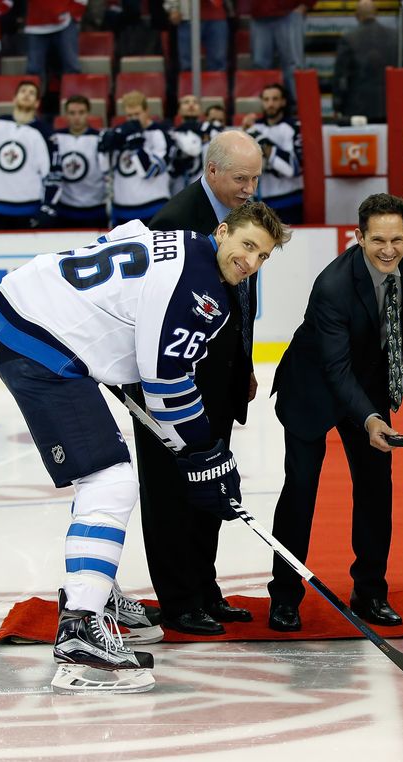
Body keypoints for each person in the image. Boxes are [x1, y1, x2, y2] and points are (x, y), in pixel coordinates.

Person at [0, 202, 288, 694]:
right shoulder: (203, 292)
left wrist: (197, 454)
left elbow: (125, 242)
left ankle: (96, 594)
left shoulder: (182, 244)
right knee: (111, 479)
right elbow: (166, 386)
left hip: (37, 320)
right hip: (41, 346)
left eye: (264, 256)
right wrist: (207, 455)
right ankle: (81, 625)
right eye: (247, 245)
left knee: (110, 476)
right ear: (223, 231)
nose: (251, 261)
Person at [130, 130, 265, 636]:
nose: (250, 187)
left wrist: (243, 364)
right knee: (169, 492)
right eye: (240, 178)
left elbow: (241, 303)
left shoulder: (241, 217)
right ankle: (179, 600)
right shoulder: (174, 222)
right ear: (212, 172)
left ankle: (204, 589)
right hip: (171, 387)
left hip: (218, 381)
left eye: (255, 177)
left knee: (209, 484)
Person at [267, 193, 403, 633]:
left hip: (366, 387)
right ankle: (285, 596)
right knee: (300, 493)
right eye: (377, 241)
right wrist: (369, 419)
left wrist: (388, 400)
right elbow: (335, 368)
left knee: (376, 490)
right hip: (312, 390)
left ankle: (370, 592)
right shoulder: (332, 285)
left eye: (396, 239)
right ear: (358, 237)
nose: (388, 250)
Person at [0, 80, 59, 230]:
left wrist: (48, 204)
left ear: (37, 103)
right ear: (14, 99)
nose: (27, 95)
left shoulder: (46, 134)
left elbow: (52, 175)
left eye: (31, 93)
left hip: (28, 211)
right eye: (23, 91)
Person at [101, 91, 173, 226]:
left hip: (153, 209)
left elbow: (150, 172)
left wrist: (137, 146)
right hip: (121, 211)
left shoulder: (161, 134)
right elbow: (105, 169)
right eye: (129, 115)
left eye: (137, 114)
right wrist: (103, 149)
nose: (133, 119)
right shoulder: (121, 133)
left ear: (147, 111)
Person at [242, 83, 304, 224]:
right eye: (266, 99)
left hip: (290, 202)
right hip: (259, 202)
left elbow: (292, 168)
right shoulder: (255, 126)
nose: (271, 104)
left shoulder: (294, 127)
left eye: (275, 99)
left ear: (283, 101)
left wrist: (261, 141)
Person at [332, 0, 398, 124]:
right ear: (376, 13)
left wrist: (337, 105)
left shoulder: (348, 39)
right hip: (388, 106)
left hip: (357, 109)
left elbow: (340, 76)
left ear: (356, 16)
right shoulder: (395, 36)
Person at [51, 95, 108, 229]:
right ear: (66, 115)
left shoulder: (101, 138)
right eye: (72, 113)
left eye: (81, 113)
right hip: (64, 209)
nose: (77, 117)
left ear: (88, 114)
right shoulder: (55, 138)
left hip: (95, 209)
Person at [251, 1, 316, 103]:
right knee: (260, 65)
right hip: (260, 13)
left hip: (289, 12)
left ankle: (297, 108)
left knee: (293, 65)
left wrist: (306, 4)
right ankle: (263, 106)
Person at [25, 0, 85, 80]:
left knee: (71, 66)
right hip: (35, 25)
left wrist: (75, 11)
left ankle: (73, 92)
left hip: (65, 23)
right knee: (34, 70)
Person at [165, 0, 231, 73]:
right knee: (187, 64)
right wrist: (173, 9)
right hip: (187, 17)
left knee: (218, 63)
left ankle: (217, 84)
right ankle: (188, 84)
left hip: (216, 16)